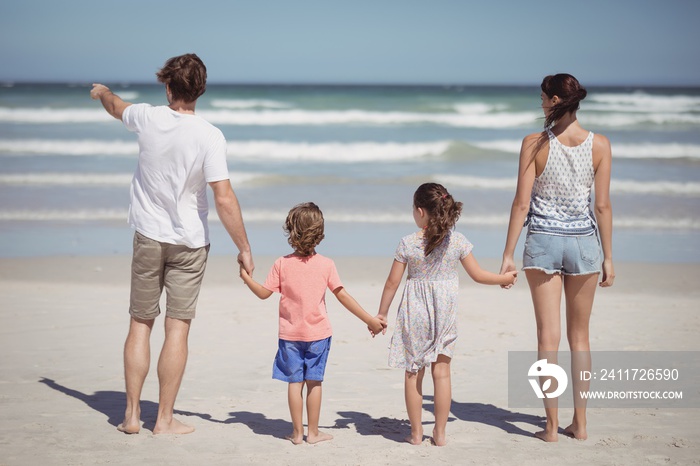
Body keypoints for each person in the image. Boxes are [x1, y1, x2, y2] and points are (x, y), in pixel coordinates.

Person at [90, 53, 254, 435]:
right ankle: (163, 419)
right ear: (201, 89)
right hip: (190, 243)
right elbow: (224, 196)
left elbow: (116, 106)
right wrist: (243, 246)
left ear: (167, 86)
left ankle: (131, 416)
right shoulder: (210, 135)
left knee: (140, 323)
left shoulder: (147, 117)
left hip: (148, 235)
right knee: (177, 328)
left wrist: (103, 92)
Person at [499, 73, 615, 442]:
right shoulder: (599, 145)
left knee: (547, 338)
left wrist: (507, 254)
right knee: (579, 338)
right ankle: (580, 424)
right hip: (584, 244)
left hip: (543, 243)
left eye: (542, 98)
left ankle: (550, 426)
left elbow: (521, 203)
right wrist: (609, 257)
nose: (541, 104)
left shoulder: (534, 143)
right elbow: (602, 206)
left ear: (552, 100)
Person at [376, 183, 517, 446]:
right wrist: (503, 278)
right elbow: (477, 275)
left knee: (413, 373)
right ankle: (439, 434)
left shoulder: (408, 243)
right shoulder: (457, 240)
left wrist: (382, 314)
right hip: (445, 311)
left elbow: (391, 284)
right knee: (441, 373)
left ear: (420, 211)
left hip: (414, 310)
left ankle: (416, 434)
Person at [239, 202, 386, 445]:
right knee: (314, 382)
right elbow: (342, 295)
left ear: (290, 230)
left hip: (290, 336)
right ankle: (313, 433)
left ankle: (297, 433)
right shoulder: (326, 264)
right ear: (320, 233)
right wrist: (369, 319)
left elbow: (264, 293)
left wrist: (245, 277)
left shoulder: (281, 264)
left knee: (294, 383)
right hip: (318, 334)